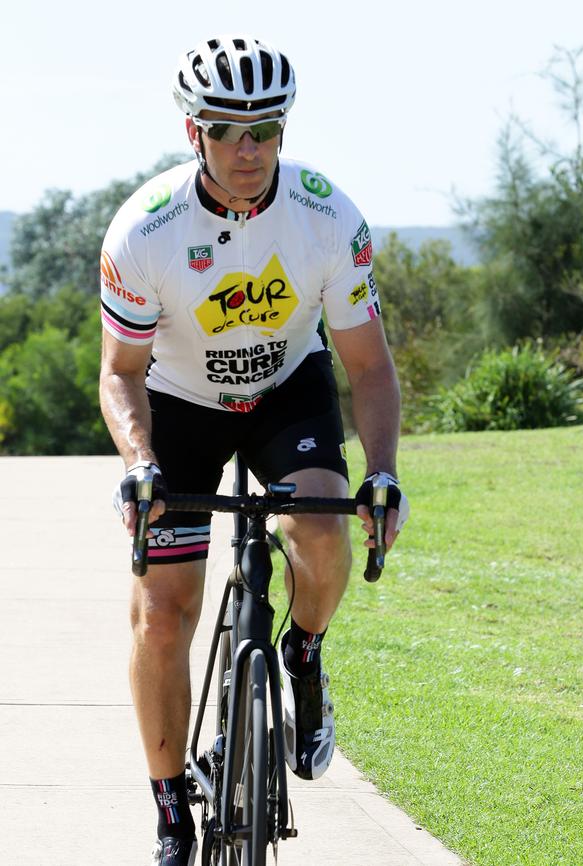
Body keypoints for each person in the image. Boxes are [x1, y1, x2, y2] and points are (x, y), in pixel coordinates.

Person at [99, 34, 409, 866]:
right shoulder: (145, 230)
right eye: (230, 130)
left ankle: (303, 651)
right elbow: (120, 374)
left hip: (287, 387)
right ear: (193, 133)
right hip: (179, 402)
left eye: (266, 130)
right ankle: (171, 815)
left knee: (322, 530)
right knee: (163, 617)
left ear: (284, 131)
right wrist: (139, 463)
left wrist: (380, 473)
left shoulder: (327, 217)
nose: (250, 149)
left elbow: (370, 368)